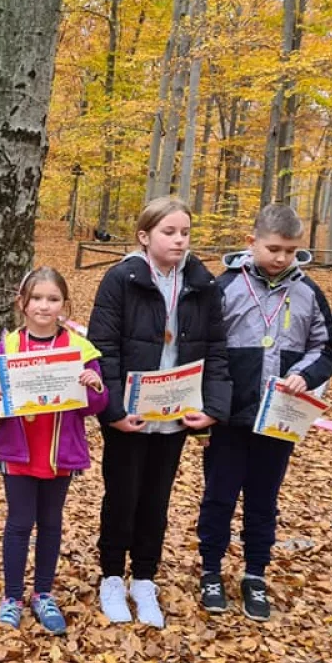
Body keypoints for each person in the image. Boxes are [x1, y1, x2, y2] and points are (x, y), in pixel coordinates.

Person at [87, 196, 230, 628]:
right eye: (169, 232)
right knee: (122, 496)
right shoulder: (121, 279)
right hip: (129, 417)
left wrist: (213, 407)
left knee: (157, 499)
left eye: (185, 232)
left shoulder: (202, 285)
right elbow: (104, 348)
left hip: (174, 414)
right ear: (145, 236)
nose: (179, 240)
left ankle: (144, 579)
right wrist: (112, 410)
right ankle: (112, 576)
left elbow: (216, 349)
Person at [196, 204, 332, 621]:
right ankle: (210, 570)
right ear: (251, 242)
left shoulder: (309, 291)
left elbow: (326, 347)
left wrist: (304, 374)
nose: (280, 258)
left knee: (264, 500)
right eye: (273, 248)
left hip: (279, 417)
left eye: (291, 251)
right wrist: (211, 402)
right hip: (230, 417)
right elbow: (207, 345)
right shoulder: (224, 287)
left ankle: (255, 573)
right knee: (219, 497)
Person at [0, 267, 109, 634]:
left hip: (59, 451)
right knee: (19, 524)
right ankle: (11, 597)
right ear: (22, 303)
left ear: (64, 304)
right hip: (19, 450)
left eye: (52, 299)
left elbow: (95, 405)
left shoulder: (79, 348)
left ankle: (43, 593)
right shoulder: (9, 346)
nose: (44, 305)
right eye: (36, 298)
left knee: (51, 524)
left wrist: (94, 385)